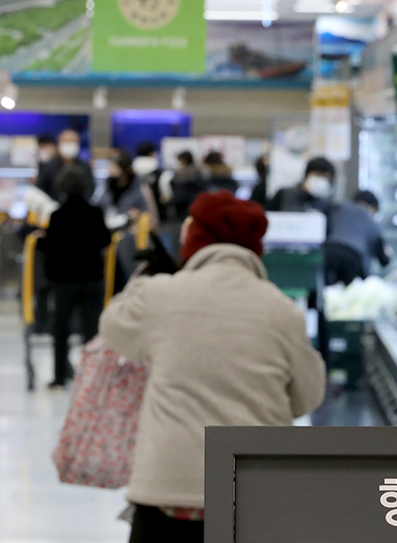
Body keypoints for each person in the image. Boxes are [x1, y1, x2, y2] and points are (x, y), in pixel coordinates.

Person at [99, 190, 326, 543]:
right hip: (253, 493)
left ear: (192, 239)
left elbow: (113, 327)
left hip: (168, 490)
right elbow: (307, 397)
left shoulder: (161, 295)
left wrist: (147, 278)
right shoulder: (282, 311)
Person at [40, 168, 112, 388]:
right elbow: (105, 240)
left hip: (64, 280)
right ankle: (91, 376)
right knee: (91, 331)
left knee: (61, 330)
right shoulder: (95, 213)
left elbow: (49, 246)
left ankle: (60, 377)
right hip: (91, 278)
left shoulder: (57, 215)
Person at [35, 129, 94, 202]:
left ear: (78, 144)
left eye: (72, 141)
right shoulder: (49, 167)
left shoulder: (85, 167)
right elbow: (41, 189)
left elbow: (90, 189)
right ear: (59, 144)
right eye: (66, 141)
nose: (69, 145)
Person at [267, 157, 335, 213]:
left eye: (324, 177)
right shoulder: (284, 194)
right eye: (317, 175)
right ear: (306, 175)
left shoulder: (327, 203)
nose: (320, 180)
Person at [133, 141, 166, 222]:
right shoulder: (157, 169)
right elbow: (163, 189)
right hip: (155, 204)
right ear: (151, 153)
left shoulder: (132, 168)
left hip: (135, 206)